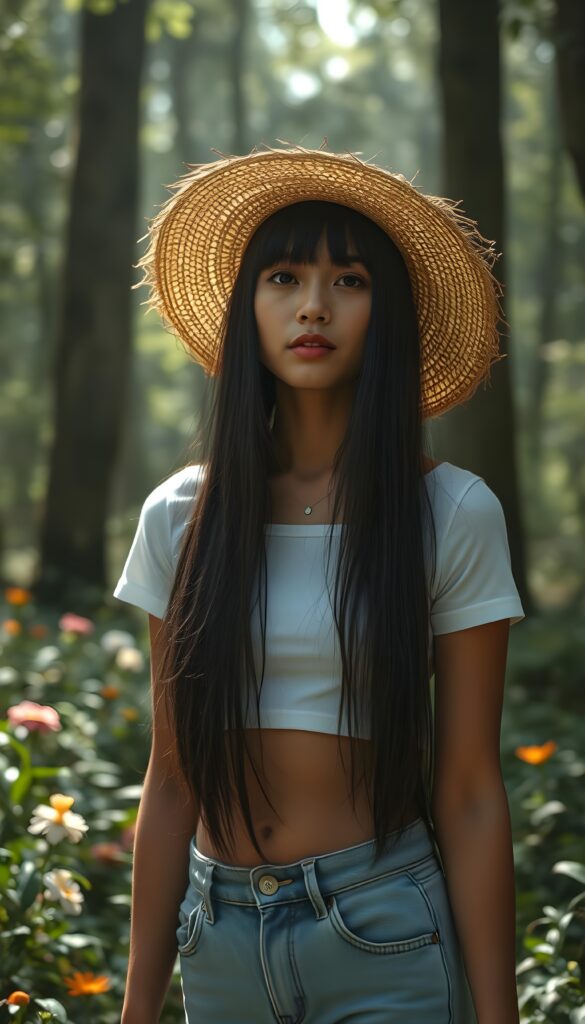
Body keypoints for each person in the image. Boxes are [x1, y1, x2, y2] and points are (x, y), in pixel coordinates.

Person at [113, 140, 525, 1024]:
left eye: (348, 281)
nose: (311, 306)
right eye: (283, 278)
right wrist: (137, 1008)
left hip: (382, 928)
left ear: (388, 313)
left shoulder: (448, 512)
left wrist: (500, 1015)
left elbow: (467, 788)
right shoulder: (181, 517)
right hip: (217, 940)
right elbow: (172, 779)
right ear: (246, 309)